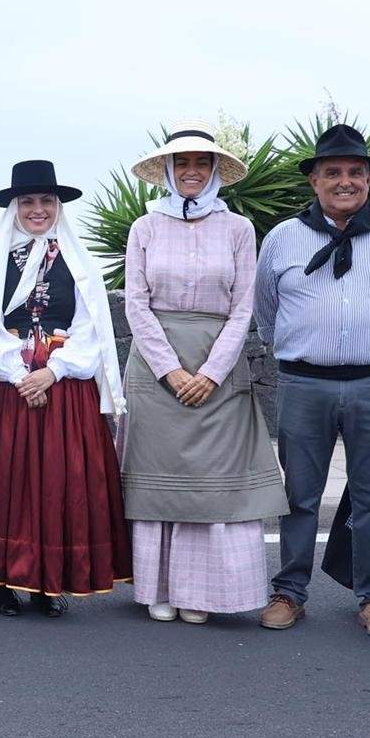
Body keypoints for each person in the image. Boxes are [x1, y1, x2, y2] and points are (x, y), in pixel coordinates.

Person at [0, 161, 130, 616]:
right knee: (6, 483)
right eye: (28, 202)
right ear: (15, 208)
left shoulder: (79, 262)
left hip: (65, 391)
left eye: (46, 201)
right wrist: (20, 372)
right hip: (8, 388)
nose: (38, 210)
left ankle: (49, 581)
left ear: (58, 207)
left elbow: (91, 327)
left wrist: (54, 371)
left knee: (60, 485)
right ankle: (1, 579)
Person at [252, 122, 370, 641]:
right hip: (305, 386)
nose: (344, 181)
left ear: (368, 179)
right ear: (315, 181)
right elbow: (265, 313)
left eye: (354, 172)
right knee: (300, 495)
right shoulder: (282, 238)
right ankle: (289, 592)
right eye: (332, 173)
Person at [118, 122, 284, 623]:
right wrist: (171, 371)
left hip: (221, 362)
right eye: (182, 163)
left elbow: (243, 307)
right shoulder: (144, 228)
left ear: (214, 170)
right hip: (154, 364)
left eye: (202, 163)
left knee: (215, 479)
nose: (192, 171)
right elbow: (136, 305)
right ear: (168, 171)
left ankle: (205, 593)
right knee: (159, 480)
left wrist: (211, 373)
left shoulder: (238, 229)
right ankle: (159, 588)